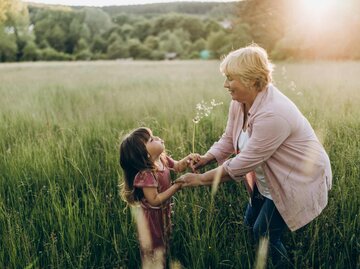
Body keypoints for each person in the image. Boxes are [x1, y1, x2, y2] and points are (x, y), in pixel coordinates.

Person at [178, 44, 332, 266]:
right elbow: (230, 138)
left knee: (264, 233)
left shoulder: (274, 114)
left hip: (296, 177)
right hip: (268, 177)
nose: (225, 84)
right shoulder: (240, 102)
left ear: (250, 79)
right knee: (250, 223)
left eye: (230, 78)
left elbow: (241, 164)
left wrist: (201, 179)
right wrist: (207, 158)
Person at [119, 127, 196, 268]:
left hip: (163, 210)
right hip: (152, 217)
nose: (157, 138)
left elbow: (178, 166)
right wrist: (176, 186)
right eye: (151, 139)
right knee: (154, 245)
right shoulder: (146, 175)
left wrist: (187, 160)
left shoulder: (162, 159)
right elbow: (154, 200)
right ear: (145, 154)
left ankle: (164, 259)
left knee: (165, 238)